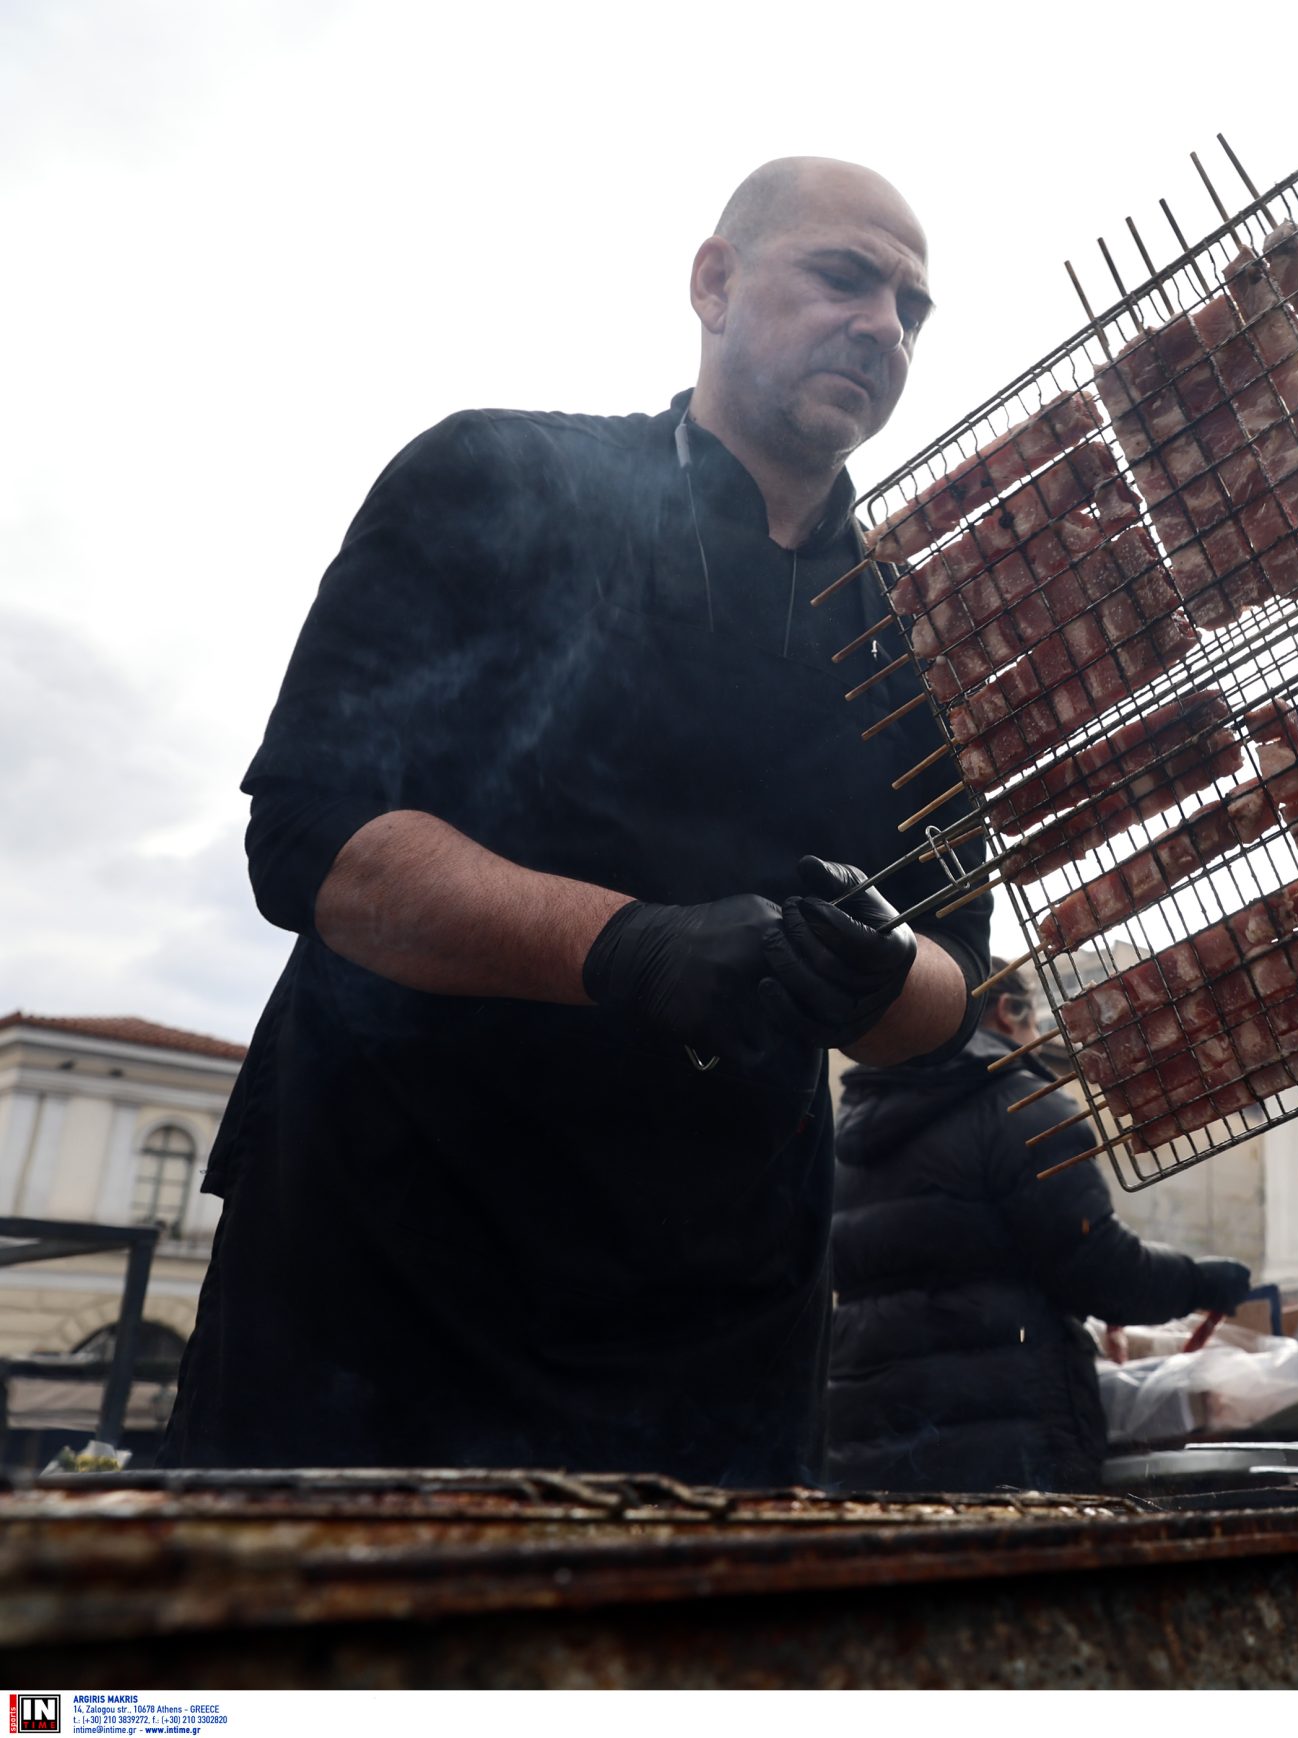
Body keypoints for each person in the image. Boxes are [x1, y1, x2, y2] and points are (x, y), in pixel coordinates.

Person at [163, 160, 991, 1485]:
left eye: (913, 308)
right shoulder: (494, 474)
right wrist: (632, 945)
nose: (884, 327)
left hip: (720, 1342)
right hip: (381, 1291)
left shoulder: (913, 644)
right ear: (713, 281)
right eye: (843, 276)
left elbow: (960, 990)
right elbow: (315, 840)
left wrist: (885, 970)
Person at [826, 975, 1253, 1491]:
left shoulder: (850, 1133)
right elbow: (1098, 1269)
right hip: (1005, 1451)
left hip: (868, 1441)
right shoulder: (1022, 1106)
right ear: (1007, 1010)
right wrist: (1199, 1281)